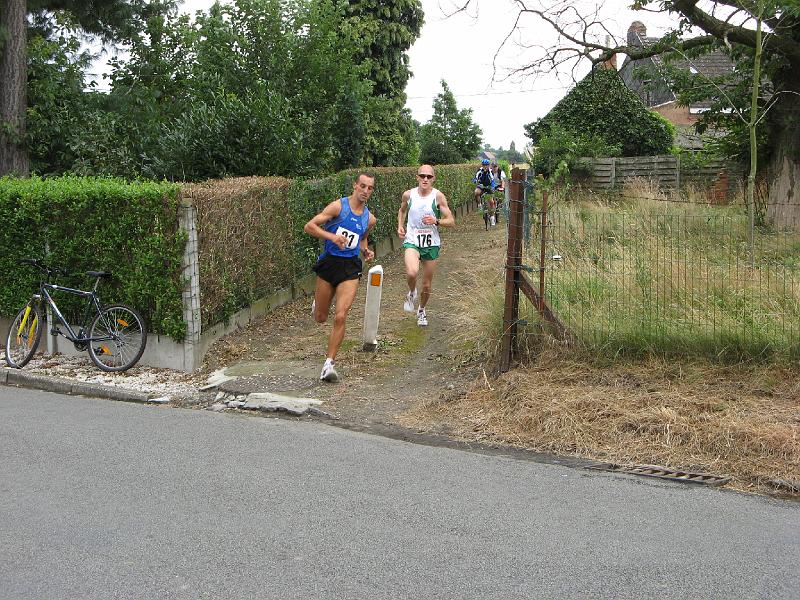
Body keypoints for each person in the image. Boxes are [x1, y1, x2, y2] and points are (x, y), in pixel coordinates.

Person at [304, 172, 377, 382]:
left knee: (341, 315)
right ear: (355, 185)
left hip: (350, 268)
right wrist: (332, 237)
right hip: (329, 264)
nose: (365, 191)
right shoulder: (338, 207)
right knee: (321, 317)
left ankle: (329, 364)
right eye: (362, 186)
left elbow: (362, 238)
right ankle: (319, 302)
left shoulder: (369, 218)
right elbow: (310, 226)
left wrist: (365, 250)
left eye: (370, 188)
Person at [397, 164, 455, 327]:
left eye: (429, 176)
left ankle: (421, 310)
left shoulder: (438, 197)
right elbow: (402, 211)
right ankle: (412, 292)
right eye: (422, 176)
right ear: (417, 177)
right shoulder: (408, 195)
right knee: (412, 272)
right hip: (412, 240)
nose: (425, 179)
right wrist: (400, 225)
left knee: (427, 285)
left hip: (431, 244)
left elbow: (451, 221)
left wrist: (436, 221)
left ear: (433, 179)